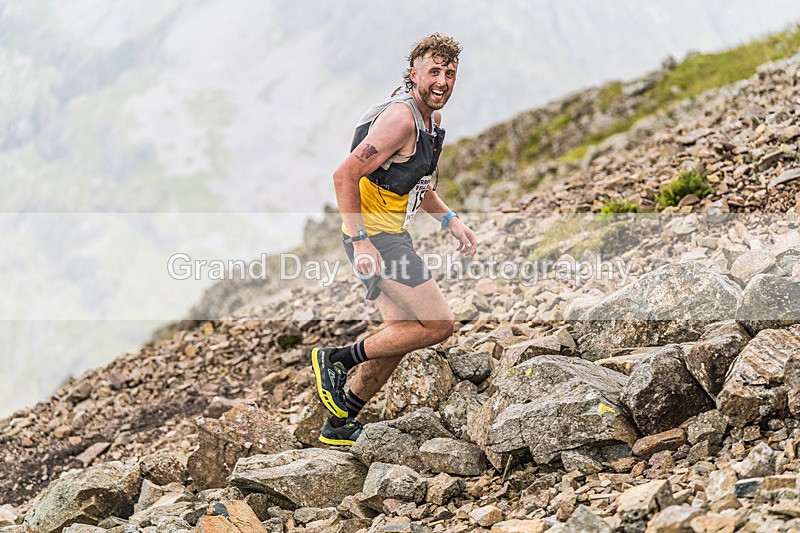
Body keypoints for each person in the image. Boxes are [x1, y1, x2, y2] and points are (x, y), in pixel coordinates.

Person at [311, 33, 478, 446]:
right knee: (438, 324)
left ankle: (340, 421)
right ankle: (335, 359)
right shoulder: (401, 119)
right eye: (434, 71)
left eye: (450, 73)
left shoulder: (430, 122)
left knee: (401, 331)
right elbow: (344, 175)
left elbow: (416, 183)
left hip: (389, 234)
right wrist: (361, 240)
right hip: (375, 239)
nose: (442, 81)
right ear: (413, 74)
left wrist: (449, 219)